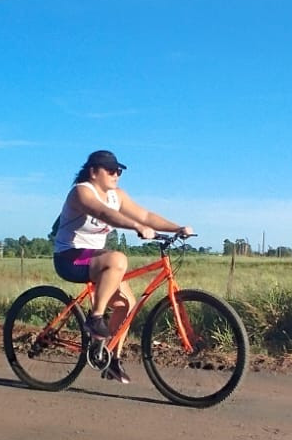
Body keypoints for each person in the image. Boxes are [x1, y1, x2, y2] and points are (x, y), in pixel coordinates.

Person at [52, 148, 194, 384]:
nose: (116, 174)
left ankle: (111, 360)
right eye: (111, 170)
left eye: (118, 170)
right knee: (118, 259)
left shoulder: (117, 195)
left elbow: (145, 215)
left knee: (128, 305)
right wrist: (135, 227)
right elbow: (102, 212)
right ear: (93, 172)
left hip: (95, 258)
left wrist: (177, 228)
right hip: (70, 257)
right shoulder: (81, 192)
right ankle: (95, 319)